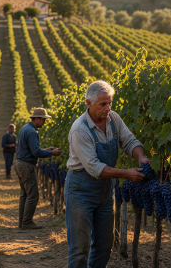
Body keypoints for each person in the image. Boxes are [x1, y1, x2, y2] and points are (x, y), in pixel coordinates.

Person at [65, 80, 150, 268]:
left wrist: (141, 157)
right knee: (80, 249)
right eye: (103, 104)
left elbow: (129, 141)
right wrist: (126, 173)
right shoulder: (80, 129)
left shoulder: (114, 119)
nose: (108, 108)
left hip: (105, 191)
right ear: (89, 103)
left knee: (104, 245)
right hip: (80, 190)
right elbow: (95, 167)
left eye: (110, 102)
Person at [15, 108, 61, 230]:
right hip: (26, 165)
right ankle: (27, 222)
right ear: (37, 119)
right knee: (33, 195)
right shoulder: (31, 132)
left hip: (20, 163)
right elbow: (35, 152)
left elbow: (31, 150)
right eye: (44, 120)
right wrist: (52, 153)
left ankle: (22, 222)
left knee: (24, 194)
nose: (45, 122)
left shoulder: (25, 128)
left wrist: (46, 150)